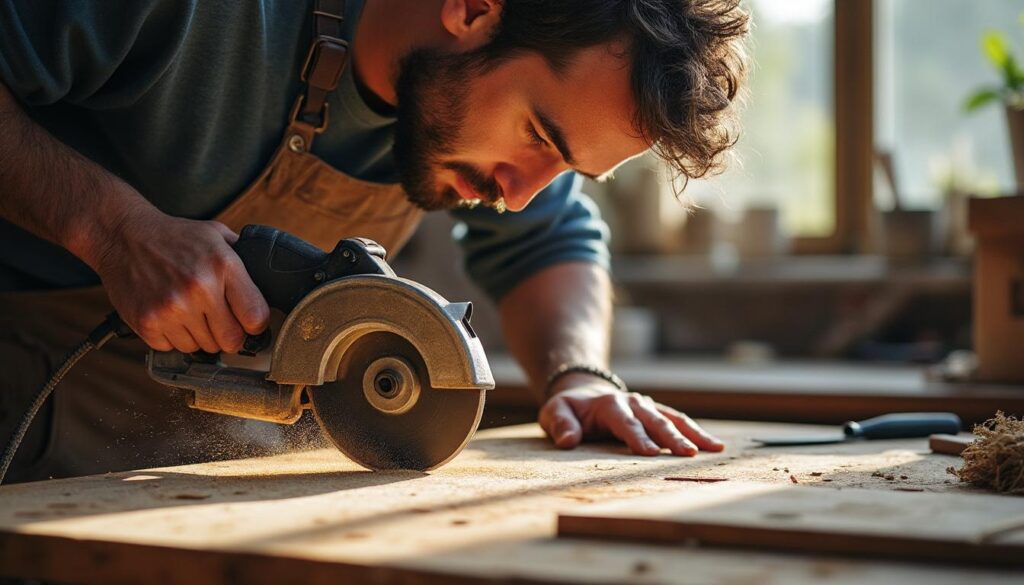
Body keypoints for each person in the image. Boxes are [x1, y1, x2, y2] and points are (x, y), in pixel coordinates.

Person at [0, 0, 749, 482]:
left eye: (566, 167)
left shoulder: (496, 129)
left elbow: (549, 240)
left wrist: (579, 377)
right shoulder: (207, 16)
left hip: (216, 484)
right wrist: (113, 229)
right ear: (472, 8)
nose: (522, 193)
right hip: (28, 424)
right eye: (539, 137)